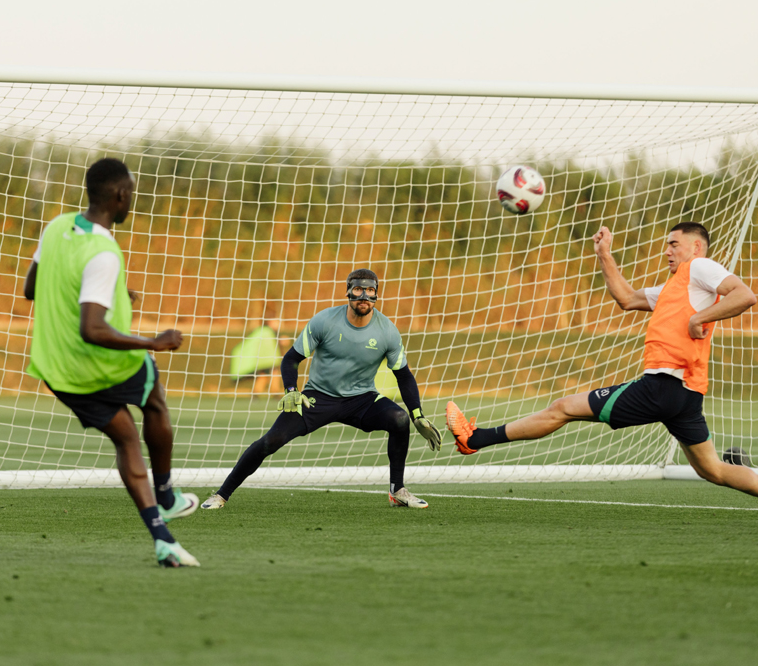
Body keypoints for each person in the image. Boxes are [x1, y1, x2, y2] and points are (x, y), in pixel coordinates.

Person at [446, 222, 758, 529]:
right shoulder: (676, 287)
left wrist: (697, 320)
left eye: (674, 244)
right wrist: (604, 254)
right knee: (713, 470)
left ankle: (474, 439)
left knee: (563, 407)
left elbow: (745, 294)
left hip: (663, 385)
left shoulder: (700, 266)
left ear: (695, 247)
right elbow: (627, 298)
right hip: (685, 394)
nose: (667, 251)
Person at [23, 157, 200, 567]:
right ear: (120, 196)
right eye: (132, 193)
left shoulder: (55, 227)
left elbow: (33, 287)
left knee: (126, 439)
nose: (132, 200)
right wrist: (152, 342)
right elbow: (93, 328)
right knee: (153, 399)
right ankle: (168, 496)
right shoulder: (104, 252)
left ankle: (163, 540)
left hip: (59, 370)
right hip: (103, 363)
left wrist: (117, 292)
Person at [201, 268, 443, 510]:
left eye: (370, 290)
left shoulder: (387, 331)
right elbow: (291, 359)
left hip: (362, 399)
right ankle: (221, 495)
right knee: (271, 440)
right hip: (318, 397)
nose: (364, 297)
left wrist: (417, 415)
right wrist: (290, 390)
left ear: (376, 294)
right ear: (348, 290)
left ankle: (397, 490)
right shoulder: (325, 320)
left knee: (400, 419)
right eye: (359, 289)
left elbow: (404, 376)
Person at [229, 317, 283, 396]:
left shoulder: (267, 332)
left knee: (264, 375)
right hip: (268, 359)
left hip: (267, 359)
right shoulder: (266, 332)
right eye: (276, 321)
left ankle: (257, 393)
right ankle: (273, 393)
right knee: (272, 374)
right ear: (270, 322)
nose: (278, 324)